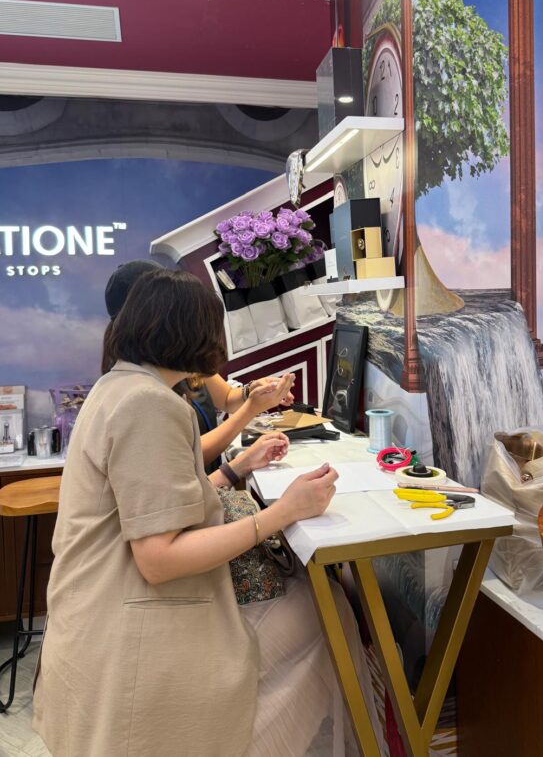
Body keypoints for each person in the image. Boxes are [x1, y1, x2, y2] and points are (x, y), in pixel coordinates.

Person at [33, 269, 381, 756]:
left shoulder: (119, 387)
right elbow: (159, 559)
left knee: (320, 604)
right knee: (326, 614)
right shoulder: (148, 404)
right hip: (125, 626)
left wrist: (238, 467)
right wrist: (280, 513)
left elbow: (158, 491)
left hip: (93, 612)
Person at [102, 260, 295, 471]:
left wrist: (252, 392)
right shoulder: (147, 396)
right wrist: (251, 410)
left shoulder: (179, 360)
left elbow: (226, 398)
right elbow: (183, 458)